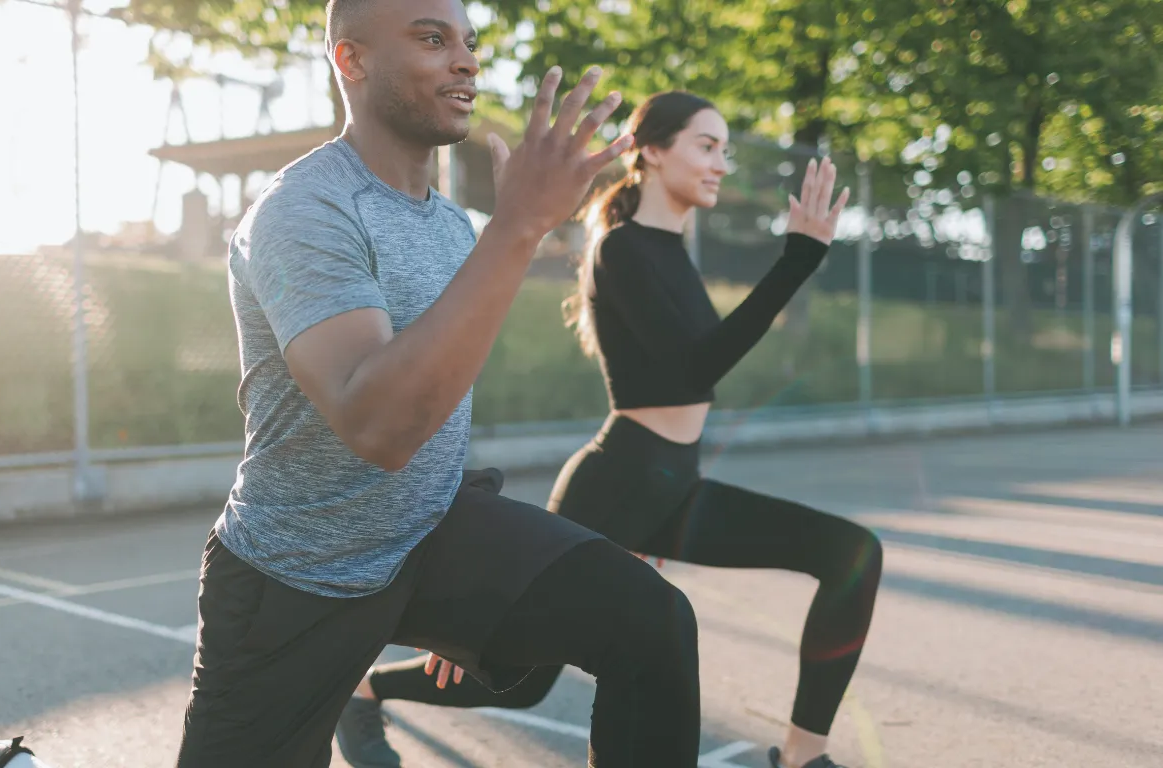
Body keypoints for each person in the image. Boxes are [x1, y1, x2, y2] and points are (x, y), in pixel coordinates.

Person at [170, 0, 715, 766]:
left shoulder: (452, 226)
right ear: (351, 61)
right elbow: (380, 427)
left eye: (469, 42)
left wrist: (479, 593)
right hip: (296, 578)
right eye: (432, 39)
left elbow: (439, 396)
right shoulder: (304, 212)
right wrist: (517, 227)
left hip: (426, 539)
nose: (466, 60)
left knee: (650, 620)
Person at [335, 92, 882, 768]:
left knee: (850, 556)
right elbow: (696, 368)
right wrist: (797, 258)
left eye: (725, 149)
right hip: (617, 485)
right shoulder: (620, 250)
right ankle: (361, 687)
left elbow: (696, 370)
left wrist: (799, 258)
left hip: (675, 486)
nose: (720, 163)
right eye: (706, 146)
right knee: (523, 680)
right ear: (651, 150)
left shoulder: (671, 251)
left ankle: (802, 756)